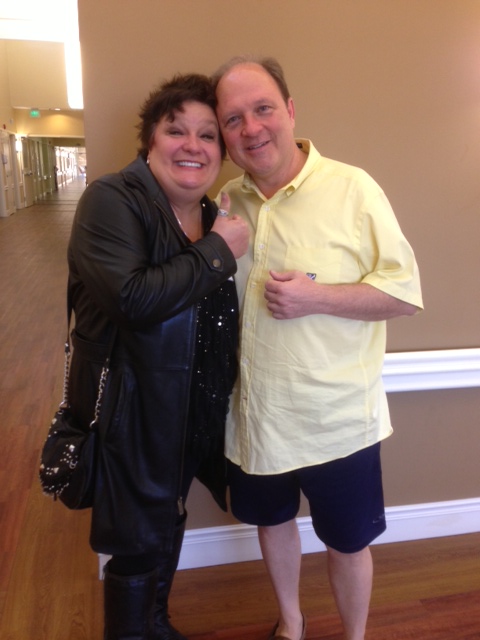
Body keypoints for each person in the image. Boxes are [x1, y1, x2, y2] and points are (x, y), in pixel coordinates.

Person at [212, 56, 423, 640]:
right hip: (255, 418)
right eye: (233, 119)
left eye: (262, 109)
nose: (251, 128)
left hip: (337, 422)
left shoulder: (353, 189)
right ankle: (292, 622)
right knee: (272, 523)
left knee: (348, 543)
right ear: (224, 134)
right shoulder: (226, 201)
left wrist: (318, 296)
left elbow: (404, 295)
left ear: (290, 110)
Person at [67, 74, 249, 640]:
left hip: (190, 414)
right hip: (132, 416)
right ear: (150, 139)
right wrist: (218, 253)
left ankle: (156, 623)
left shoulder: (212, 215)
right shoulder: (111, 200)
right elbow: (133, 298)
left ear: (221, 151)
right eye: (176, 130)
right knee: (135, 543)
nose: (192, 145)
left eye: (207, 135)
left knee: (167, 519)